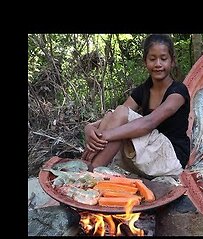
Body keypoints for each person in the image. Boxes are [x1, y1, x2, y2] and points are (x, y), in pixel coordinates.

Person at [81, 34, 190, 179]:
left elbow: (149, 122)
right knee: (112, 114)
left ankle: (89, 173)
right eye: (152, 59)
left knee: (120, 113)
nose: (158, 64)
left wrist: (105, 136)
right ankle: (86, 166)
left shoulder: (178, 92)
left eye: (163, 59)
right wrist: (89, 128)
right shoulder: (143, 90)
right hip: (150, 153)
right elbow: (115, 117)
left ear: (172, 62)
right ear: (145, 61)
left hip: (171, 158)